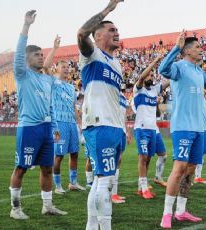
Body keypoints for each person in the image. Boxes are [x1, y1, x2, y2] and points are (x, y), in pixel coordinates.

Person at [158, 31, 206, 228]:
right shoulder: (178, 68)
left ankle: (181, 211)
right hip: (183, 126)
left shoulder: (198, 71)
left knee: (190, 170)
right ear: (187, 50)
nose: (201, 50)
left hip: (199, 127)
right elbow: (162, 69)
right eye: (198, 47)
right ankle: (167, 213)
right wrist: (176, 47)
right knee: (179, 168)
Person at [9, 10, 67, 220]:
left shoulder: (46, 80)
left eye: (43, 55)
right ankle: (15, 208)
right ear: (26, 59)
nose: (42, 57)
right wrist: (26, 26)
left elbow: (50, 106)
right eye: (37, 55)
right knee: (21, 168)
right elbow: (19, 53)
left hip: (45, 129)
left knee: (47, 168)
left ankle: (47, 205)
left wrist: (54, 128)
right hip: (29, 128)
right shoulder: (22, 74)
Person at [77, 0, 125, 229]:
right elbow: (81, 32)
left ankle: (91, 226)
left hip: (115, 126)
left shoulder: (117, 64)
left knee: (101, 180)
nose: (117, 33)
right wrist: (107, 9)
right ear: (97, 37)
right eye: (111, 30)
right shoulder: (92, 54)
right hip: (99, 124)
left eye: (117, 29)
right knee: (105, 181)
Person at [44, 36, 86, 194]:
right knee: (59, 155)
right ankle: (58, 185)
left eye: (68, 67)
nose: (67, 69)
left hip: (71, 124)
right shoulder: (53, 82)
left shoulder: (71, 88)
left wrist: (80, 123)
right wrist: (54, 48)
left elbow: (74, 107)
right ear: (57, 69)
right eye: (64, 67)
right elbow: (46, 67)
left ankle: (73, 183)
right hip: (59, 123)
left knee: (74, 153)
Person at [132, 55, 168, 199]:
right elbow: (141, 77)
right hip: (141, 128)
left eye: (152, 75)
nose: (151, 76)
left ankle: (142, 186)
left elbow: (168, 82)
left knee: (148, 159)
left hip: (153, 129)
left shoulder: (154, 90)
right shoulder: (138, 89)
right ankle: (144, 188)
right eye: (149, 74)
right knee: (143, 157)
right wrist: (155, 61)